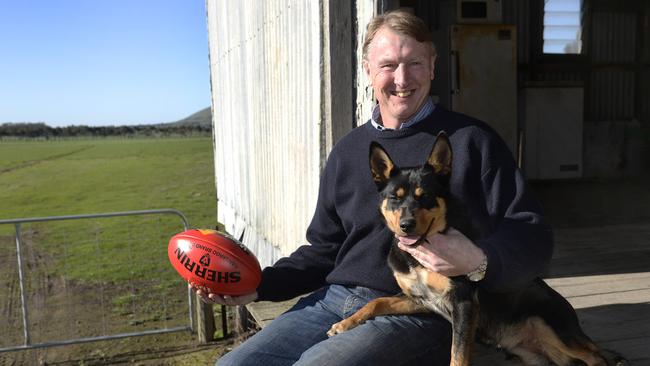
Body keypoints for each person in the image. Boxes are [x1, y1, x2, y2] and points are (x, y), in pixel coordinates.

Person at [193, 9, 553, 366]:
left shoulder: (471, 142)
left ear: (433, 66)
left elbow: (531, 234)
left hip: (424, 311)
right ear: (367, 70)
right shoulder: (348, 152)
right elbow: (323, 250)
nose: (401, 78)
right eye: (388, 65)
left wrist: (479, 260)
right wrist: (256, 286)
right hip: (335, 300)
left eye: (414, 63)